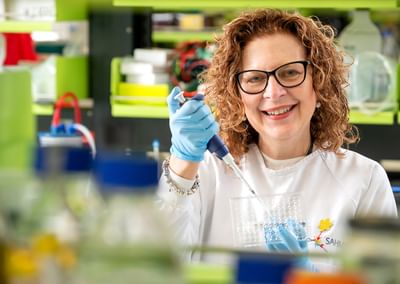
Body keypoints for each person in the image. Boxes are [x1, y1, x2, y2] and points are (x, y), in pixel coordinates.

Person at [157, 9, 398, 271]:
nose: (274, 92)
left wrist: (309, 276)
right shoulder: (208, 171)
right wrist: (182, 163)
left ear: (318, 82)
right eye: (255, 78)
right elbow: (158, 266)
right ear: (237, 94)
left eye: (290, 73)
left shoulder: (364, 179)